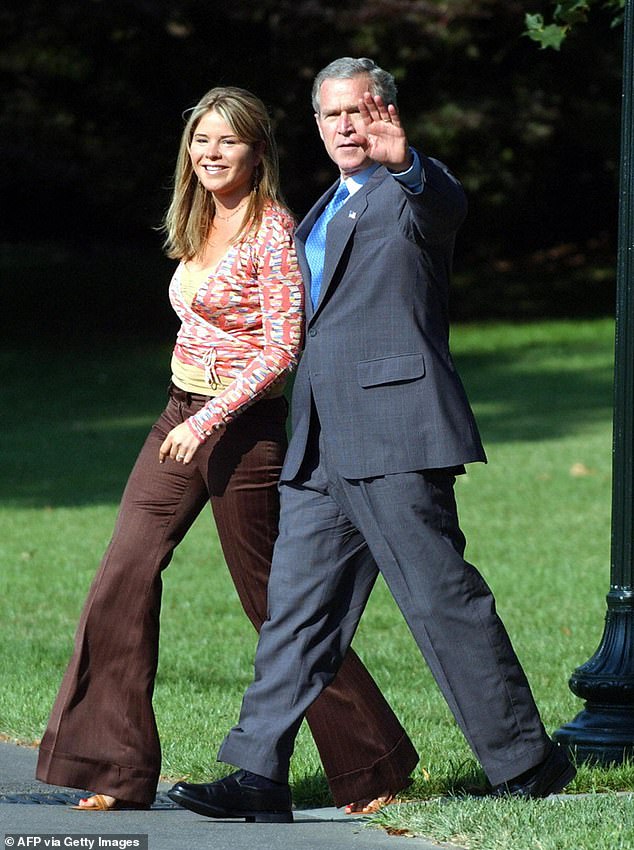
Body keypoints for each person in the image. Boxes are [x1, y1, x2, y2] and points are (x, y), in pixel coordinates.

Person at [167, 59, 577, 825]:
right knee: (297, 611)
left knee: (441, 599)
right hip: (320, 443)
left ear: (385, 112)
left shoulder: (408, 191)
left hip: (394, 434)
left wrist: (412, 164)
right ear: (317, 126)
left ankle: (527, 762)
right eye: (331, 116)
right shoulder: (325, 204)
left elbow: (445, 206)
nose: (346, 127)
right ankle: (258, 772)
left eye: (359, 111)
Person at [36, 85, 419, 813]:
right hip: (176, 417)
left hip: (240, 434)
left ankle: (374, 763)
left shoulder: (271, 231)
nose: (210, 154)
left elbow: (282, 350)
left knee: (278, 602)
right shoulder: (199, 217)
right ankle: (114, 768)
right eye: (201, 141)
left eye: (227, 142)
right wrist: (187, 410)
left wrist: (208, 418)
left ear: (258, 152)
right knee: (122, 574)